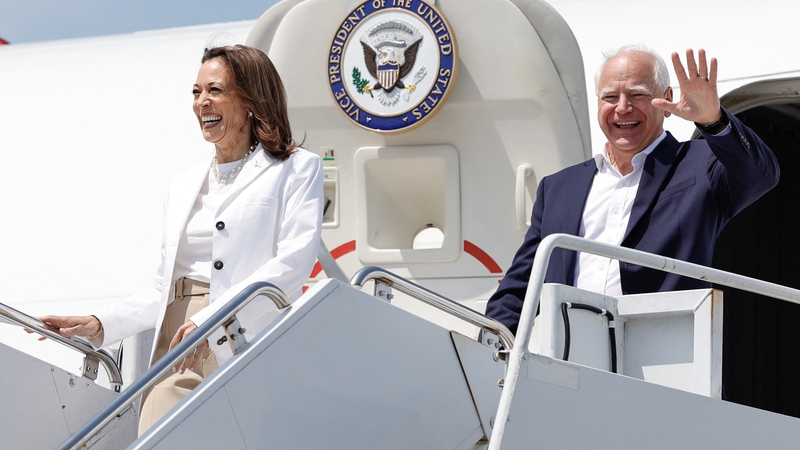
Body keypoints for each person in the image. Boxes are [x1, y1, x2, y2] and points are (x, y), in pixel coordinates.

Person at [35, 44, 324, 433]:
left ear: (252, 99)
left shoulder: (296, 168)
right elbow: (162, 286)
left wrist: (211, 320)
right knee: (161, 426)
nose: (202, 102)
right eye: (196, 92)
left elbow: (293, 263)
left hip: (245, 330)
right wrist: (100, 322)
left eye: (215, 90)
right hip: (179, 337)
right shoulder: (184, 183)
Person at [485, 45, 779, 335]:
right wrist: (488, 344)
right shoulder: (559, 188)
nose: (622, 107)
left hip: (661, 359)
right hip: (568, 361)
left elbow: (761, 175)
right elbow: (521, 285)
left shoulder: (701, 165)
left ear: (666, 100)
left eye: (637, 95)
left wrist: (713, 121)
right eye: (610, 97)